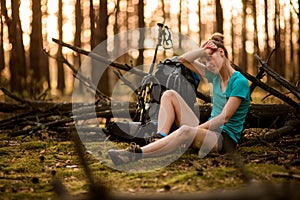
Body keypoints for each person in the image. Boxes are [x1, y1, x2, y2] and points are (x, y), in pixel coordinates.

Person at [108, 33, 250, 166]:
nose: (208, 64)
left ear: (221, 52)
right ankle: (160, 136)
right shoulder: (214, 76)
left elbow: (223, 119)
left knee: (185, 131)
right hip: (208, 131)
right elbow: (183, 60)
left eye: (210, 58)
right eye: (205, 61)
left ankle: (136, 154)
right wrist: (202, 51)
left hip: (224, 139)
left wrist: (194, 130)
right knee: (169, 94)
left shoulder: (239, 82)